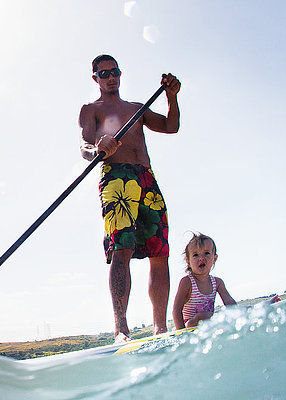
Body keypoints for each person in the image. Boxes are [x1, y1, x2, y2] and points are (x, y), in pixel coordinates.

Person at [79, 54, 181, 342]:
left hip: (147, 178)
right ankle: (121, 328)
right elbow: (84, 147)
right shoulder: (91, 110)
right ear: (95, 78)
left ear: (120, 74)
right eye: (104, 73)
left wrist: (172, 97)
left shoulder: (137, 108)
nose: (111, 76)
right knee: (121, 250)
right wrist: (98, 148)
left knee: (160, 251)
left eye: (115, 71)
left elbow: (170, 126)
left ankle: (160, 327)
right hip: (116, 177)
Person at [172, 233, 237, 329]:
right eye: (195, 255)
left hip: (208, 324)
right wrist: (181, 333)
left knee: (223, 313)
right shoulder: (187, 282)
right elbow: (176, 310)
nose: (201, 258)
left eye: (206, 253)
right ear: (188, 261)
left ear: (214, 258)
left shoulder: (217, 282)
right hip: (190, 325)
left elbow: (230, 303)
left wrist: (241, 313)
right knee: (202, 316)